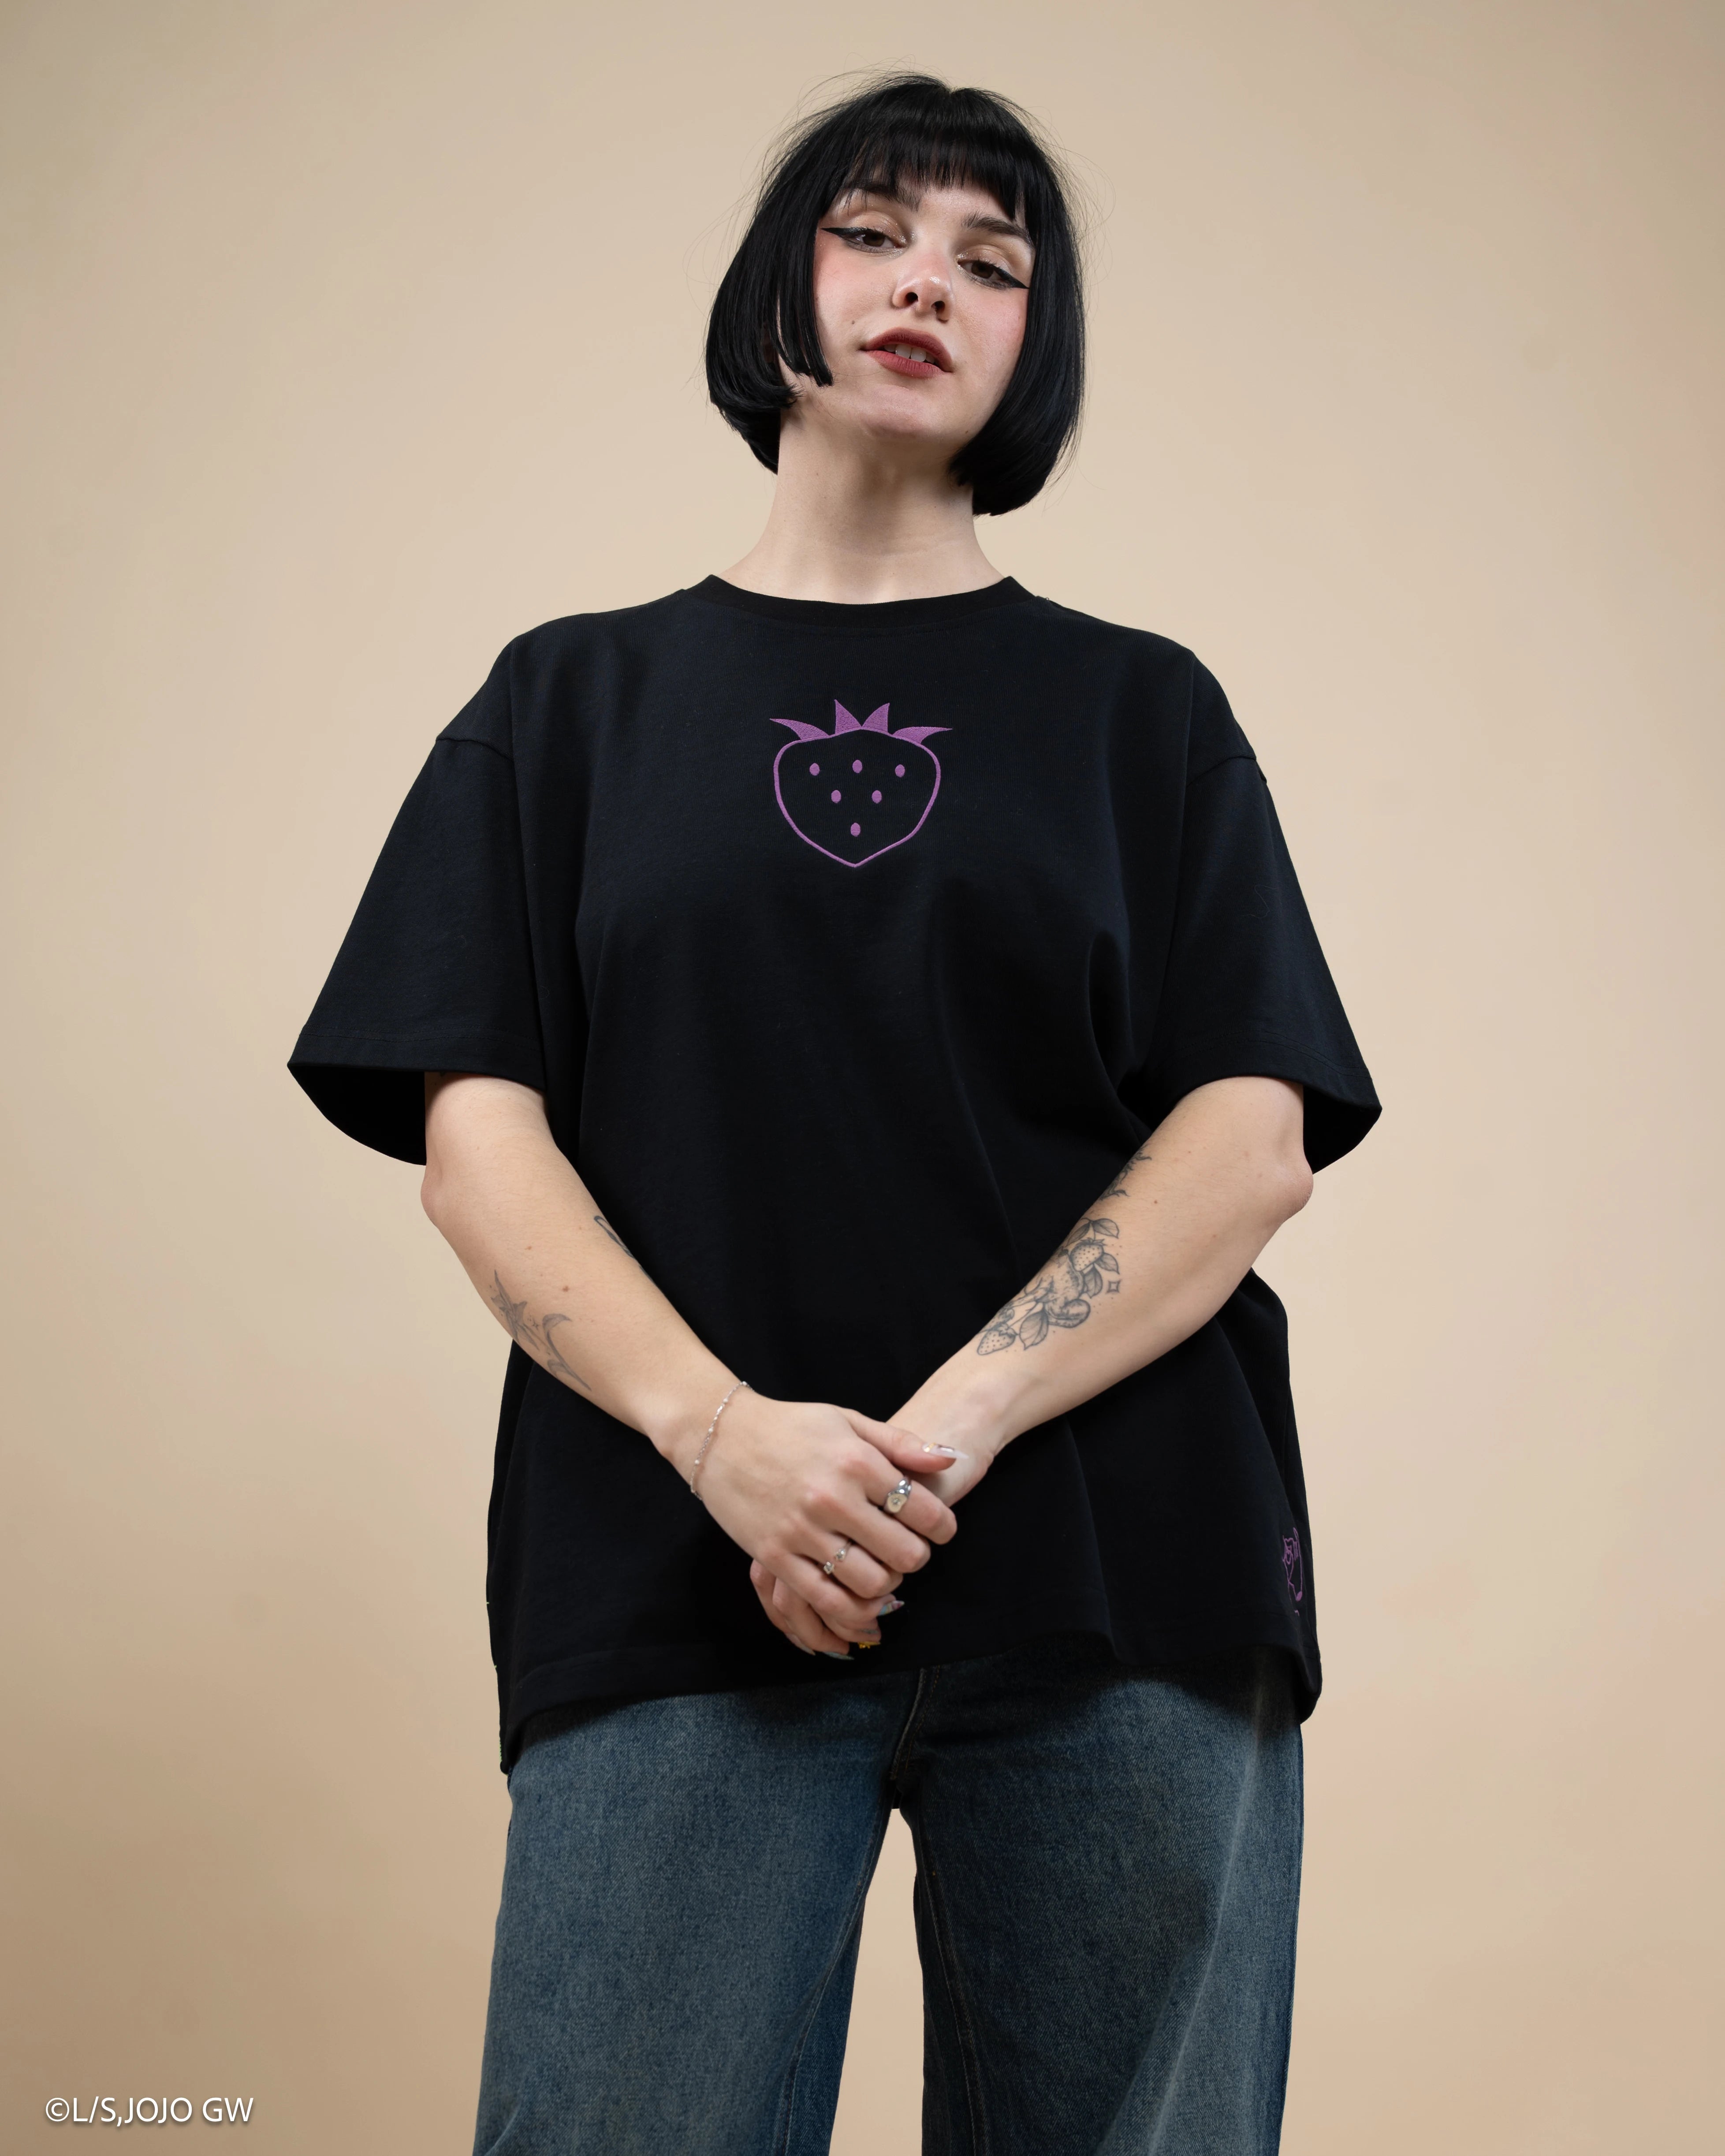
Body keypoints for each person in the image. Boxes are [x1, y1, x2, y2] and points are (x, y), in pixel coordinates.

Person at [290, 72, 1379, 2156]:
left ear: (1036, 341)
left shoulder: (1144, 713)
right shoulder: (565, 706)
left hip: (1119, 1570)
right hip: (674, 1565)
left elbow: (1249, 1134)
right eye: (872, 231)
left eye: (992, 261)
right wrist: (727, 1441)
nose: (925, 285)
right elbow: (474, 1141)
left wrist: (926, 1440)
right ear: (774, 284)